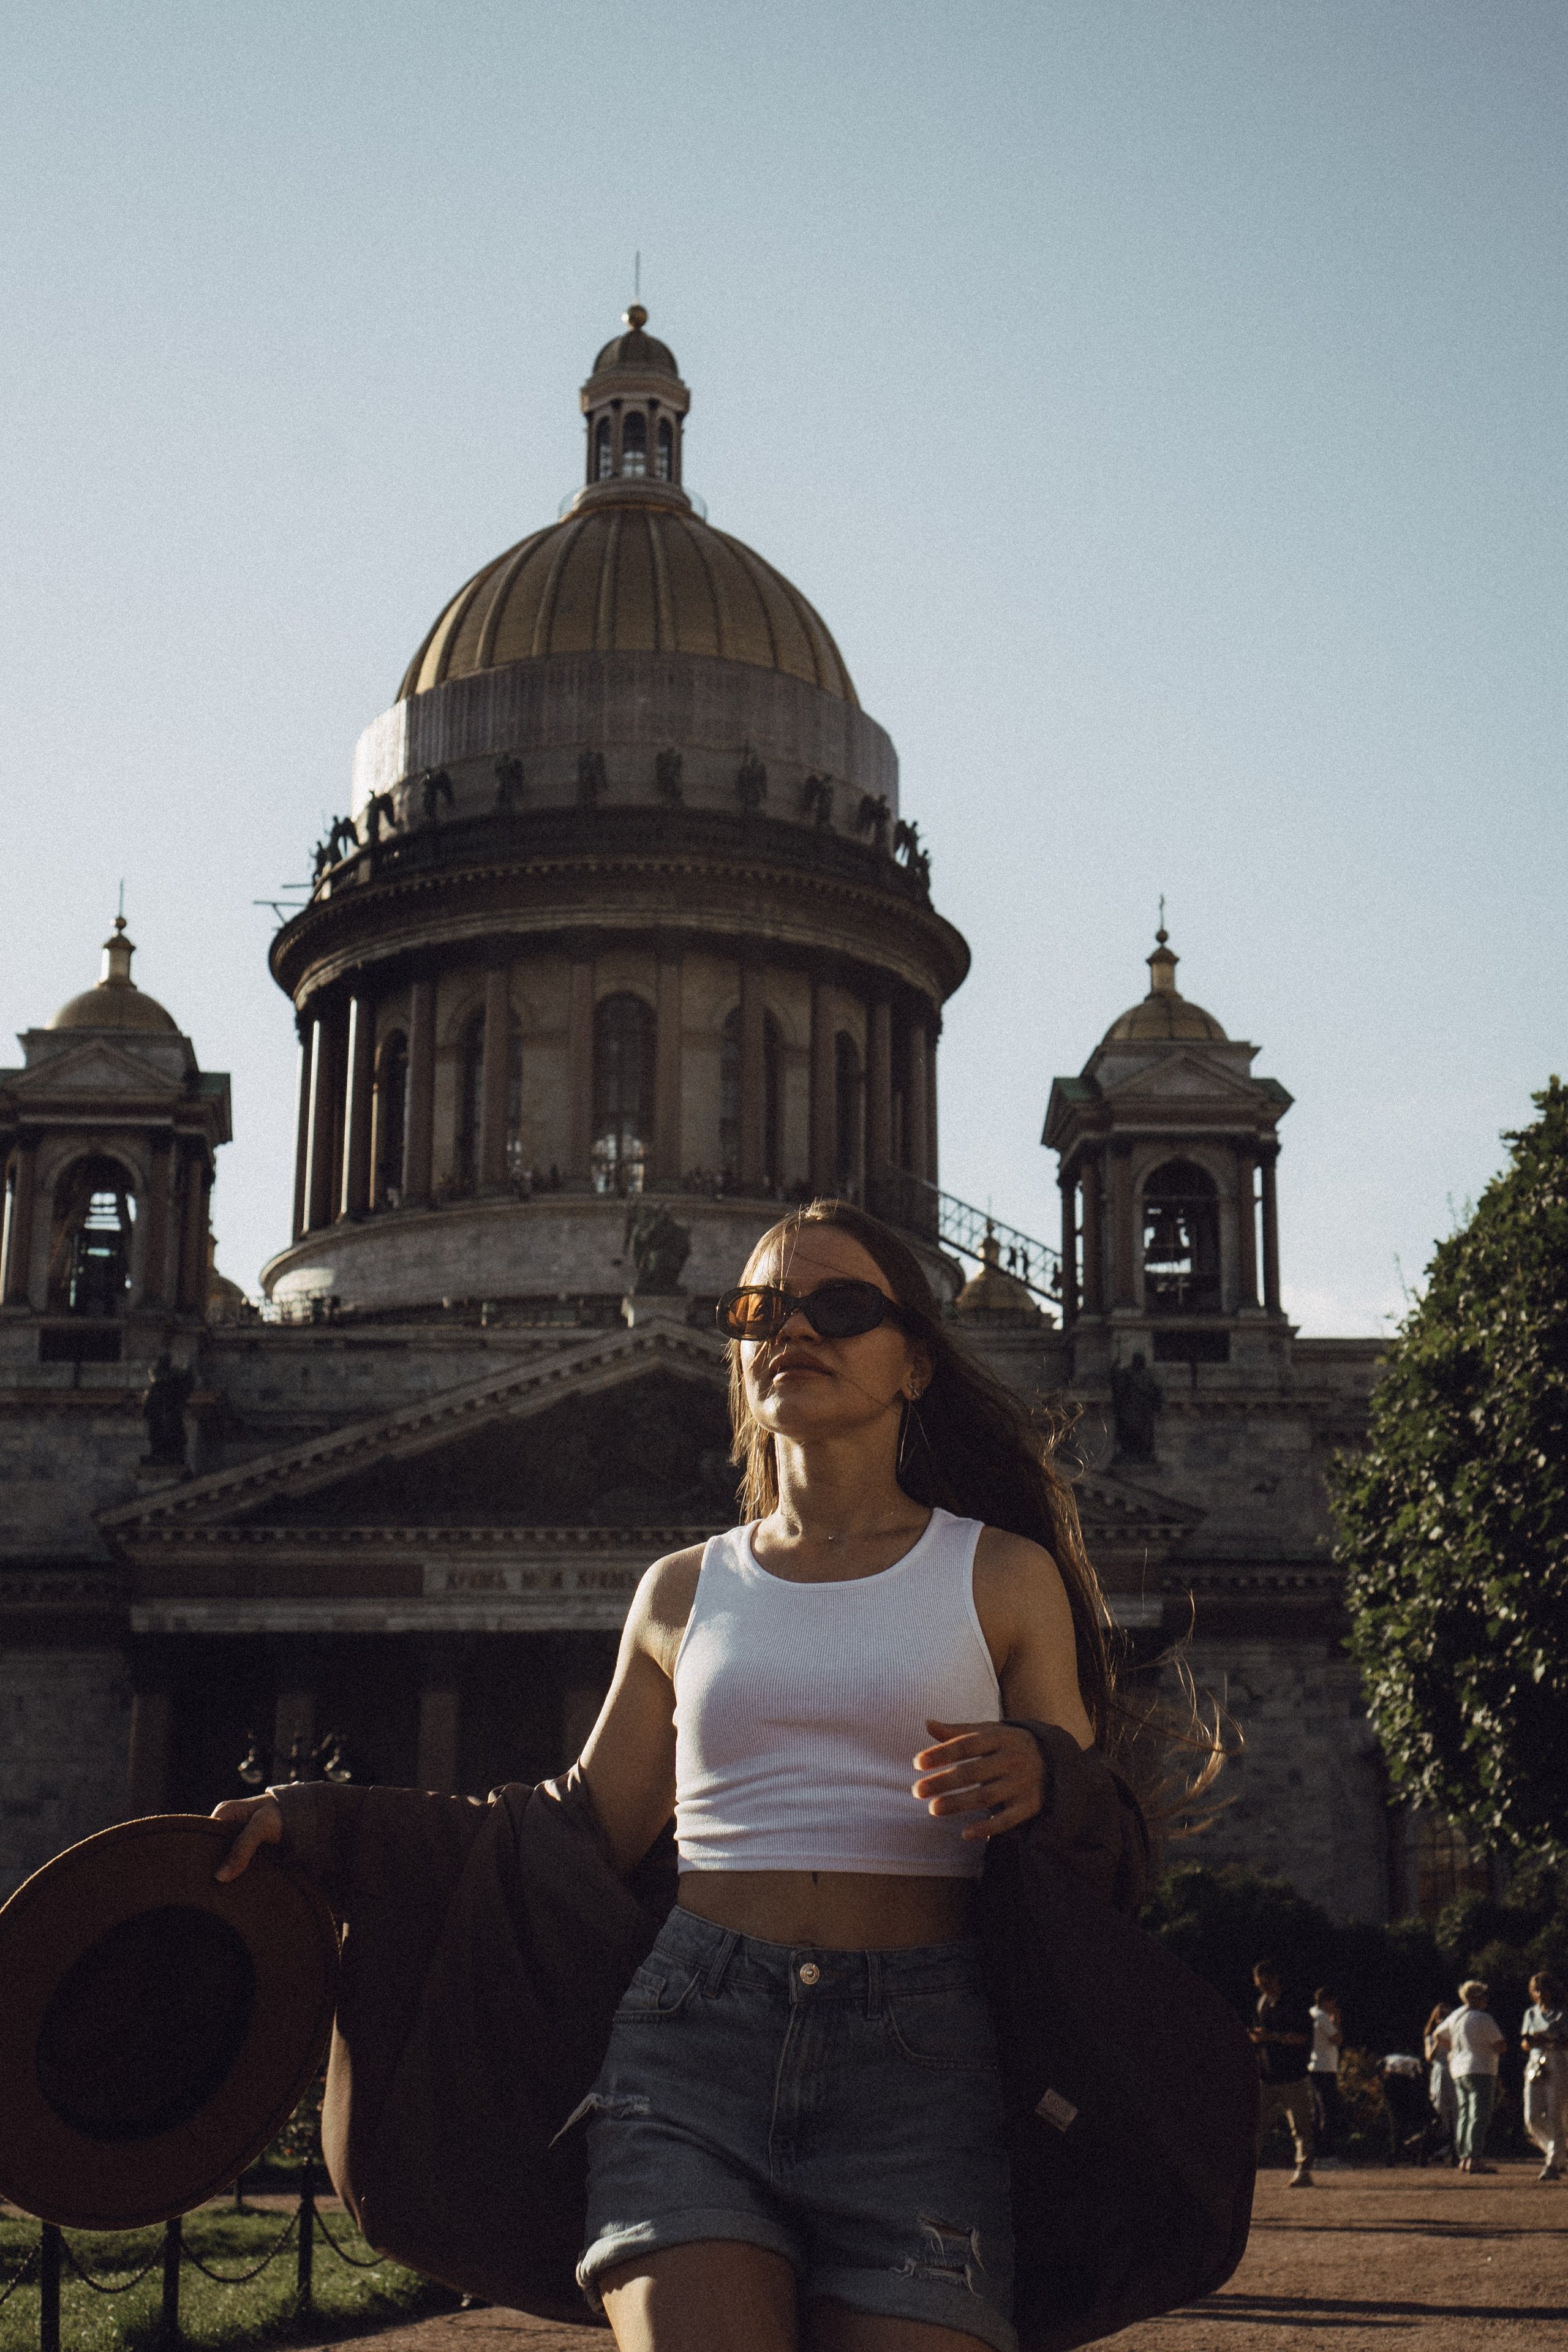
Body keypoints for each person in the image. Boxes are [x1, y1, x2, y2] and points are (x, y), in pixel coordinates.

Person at [213, 1199, 1237, 2352]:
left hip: (925, 2065)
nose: (792, 1329)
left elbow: (1095, 1857)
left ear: (916, 1364)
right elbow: (580, 1827)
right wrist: (332, 1825)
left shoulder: (1004, 1577)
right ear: (739, 1358)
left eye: (840, 1307)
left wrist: (1049, 1774)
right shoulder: (680, 1590)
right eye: (758, 1310)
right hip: (691, 2046)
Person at [1250, 1961, 1314, 2186]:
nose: (1263, 1989)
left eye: (1266, 1983)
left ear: (1276, 1979)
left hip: (1292, 2075)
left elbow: (1304, 2038)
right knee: (1254, 2126)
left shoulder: (1294, 2004)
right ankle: (1247, 2170)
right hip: (1268, 2075)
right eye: (1259, 1985)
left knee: (1301, 2127)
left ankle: (1303, 2170)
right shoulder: (1262, 2005)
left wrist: (1272, 2037)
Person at [1433, 1980, 1507, 2173]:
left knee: (1465, 2113)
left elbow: (1438, 2035)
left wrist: (1456, 2049)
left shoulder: (1456, 2015)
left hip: (1458, 2068)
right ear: (1475, 1998)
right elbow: (1500, 2045)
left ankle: (1464, 2157)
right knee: (1479, 2114)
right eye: (1483, 1995)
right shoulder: (1483, 2018)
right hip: (1481, 2068)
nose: (1486, 1999)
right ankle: (1475, 2158)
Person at [1521, 1969, 1568, 2183]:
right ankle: (1558, 2152)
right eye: (1537, 1990)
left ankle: (1552, 2163)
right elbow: (1524, 2042)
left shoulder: (1562, 2014)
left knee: (1554, 2114)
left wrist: (1548, 2040)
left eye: (1544, 1990)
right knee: (1532, 2117)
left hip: (1557, 2061)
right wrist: (1531, 2042)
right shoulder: (1531, 2014)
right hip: (1535, 2063)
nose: (1541, 1994)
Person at [1307, 1988, 1343, 2163]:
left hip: (1315, 2066)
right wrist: (1336, 2020)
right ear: (1326, 2001)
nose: (1334, 2007)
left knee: (1317, 2111)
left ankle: (1316, 2152)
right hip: (1325, 2068)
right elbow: (1337, 2038)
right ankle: (1325, 2155)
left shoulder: (1311, 2014)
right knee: (1328, 2111)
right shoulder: (1322, 2016)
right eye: (1333, 2003)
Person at [1423, 2000, 1458, 2163]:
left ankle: (1456, 2149)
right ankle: (1442, 2146)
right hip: (1440, 2072)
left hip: (1454, 2071)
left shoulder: (1455, 2034)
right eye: (1440, 2017)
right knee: (1441, 2109)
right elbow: (1430, 2057)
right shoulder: (1431, 2037)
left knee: (1456, 2110)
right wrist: (1438, 2040)